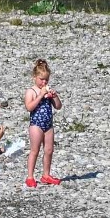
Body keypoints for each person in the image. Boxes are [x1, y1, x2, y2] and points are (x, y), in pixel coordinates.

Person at [24, 59, 63, 187]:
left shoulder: (47, 90)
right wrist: (40, 96)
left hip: (48, 124)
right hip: (36, 124)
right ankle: (30, 176)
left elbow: (58, 106)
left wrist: (54, 96)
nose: (44, 82)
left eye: (46, 79)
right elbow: (29, 107)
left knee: (49, 150)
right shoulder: (32, 91)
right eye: (41, 79)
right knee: (34, 150)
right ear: (34, 77)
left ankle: (46, 174)